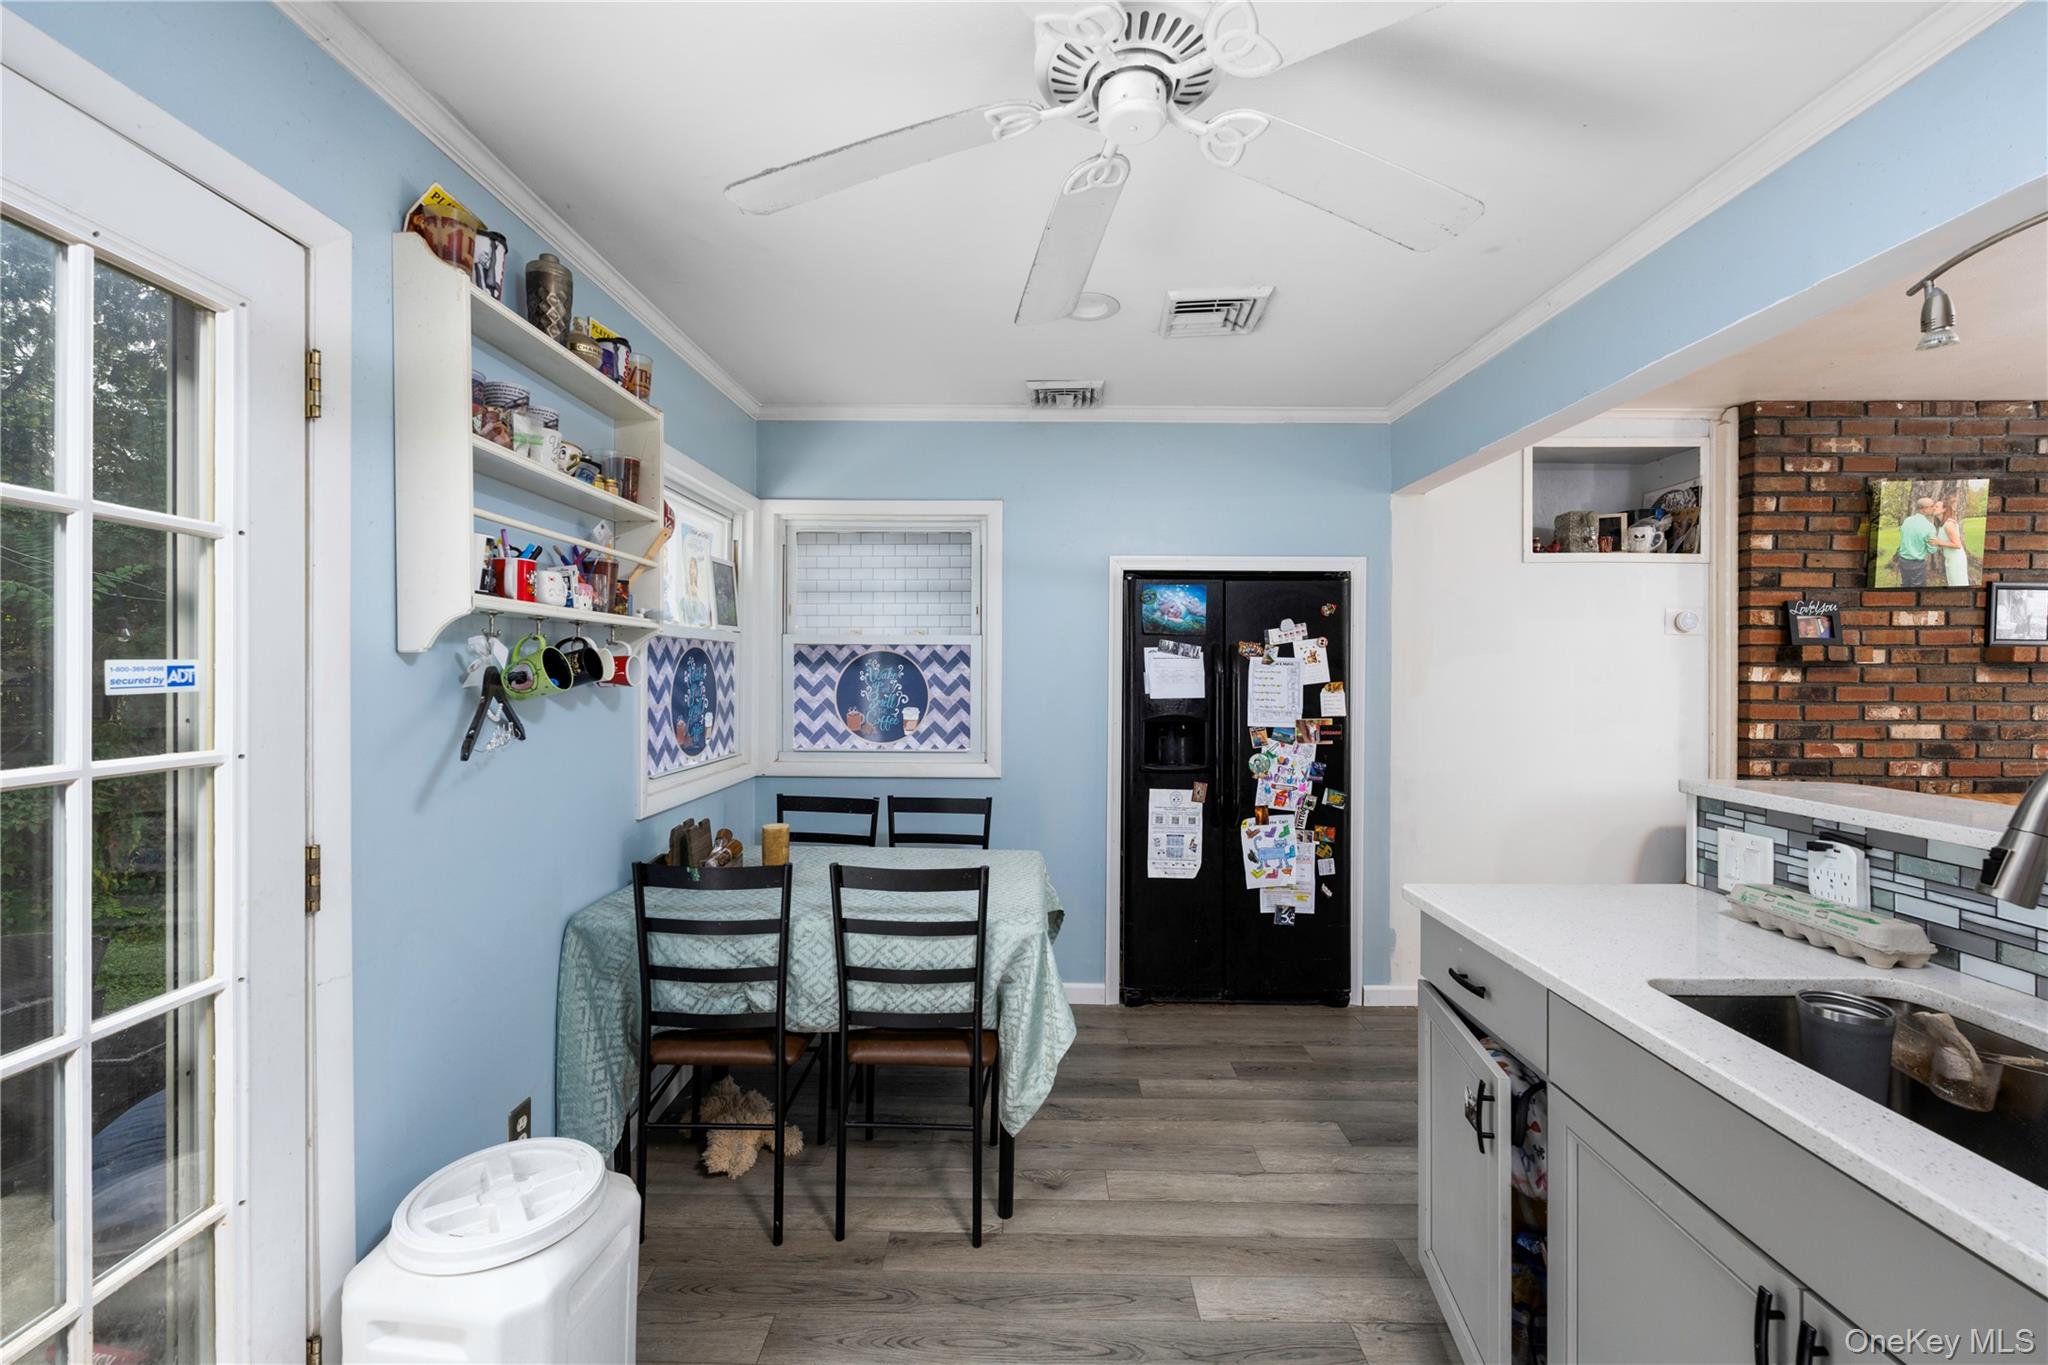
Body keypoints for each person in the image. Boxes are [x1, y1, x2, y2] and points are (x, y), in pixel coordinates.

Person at [1895, 497, 1938, 587]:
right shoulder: (1929, 527)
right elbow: (1932, 550)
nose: (1934, 508)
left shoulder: (1907, 521)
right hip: (1916, 564)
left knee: (1905, 585)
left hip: (1902, 561)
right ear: (1924, 509)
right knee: (1918, 590)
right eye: (1931, 506)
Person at [1931, 498, 1971, 587]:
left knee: (1959, 585)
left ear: (1944, 509)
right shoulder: (1943, 524)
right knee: (1952, 584)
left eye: (1936, 506)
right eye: (1934, 506)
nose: (1934, 508)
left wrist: (1939, 542)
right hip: (1950, 558)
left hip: (1956, 560)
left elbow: (1957, 545)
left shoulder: (1949, 524)